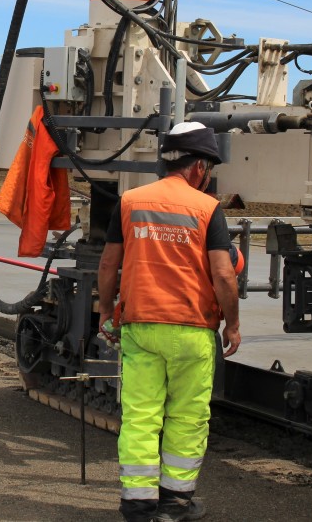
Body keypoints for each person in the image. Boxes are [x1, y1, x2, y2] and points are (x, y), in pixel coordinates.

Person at [98, 121, 241, 522]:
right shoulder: (207, 208)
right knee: (187, 417)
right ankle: (175, 505)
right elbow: (224, 274)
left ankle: (138, 505)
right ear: (199, 167)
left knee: (141, 415)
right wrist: (232, 324)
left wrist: (107, 312)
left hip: (140, 326)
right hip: (191, 330)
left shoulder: (129, 201)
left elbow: (109, 262)